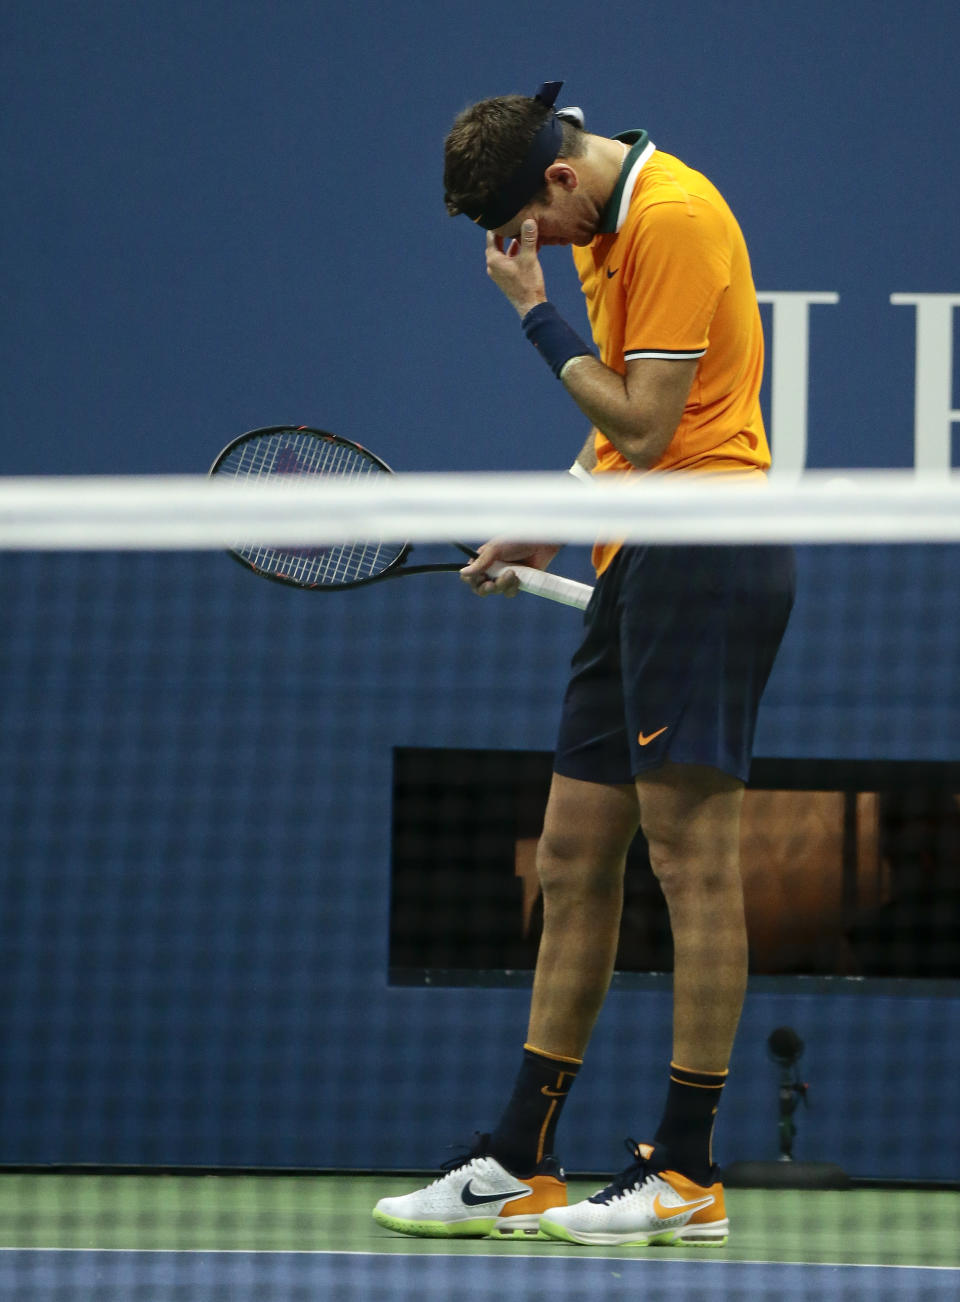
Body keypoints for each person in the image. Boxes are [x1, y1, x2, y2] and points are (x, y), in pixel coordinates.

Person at [373, 80, 795, 1246]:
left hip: (706, 552)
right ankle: (521, 1158)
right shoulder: (608, 224)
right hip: (638, 557)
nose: (530, 250)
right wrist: (556, 513)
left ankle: (690, 1173)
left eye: (528, 228)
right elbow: (620, 427)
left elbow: (654, 425)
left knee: (691, 863)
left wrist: (531, 312)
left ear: (560, 178)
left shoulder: (673, 217)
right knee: (570, 856)